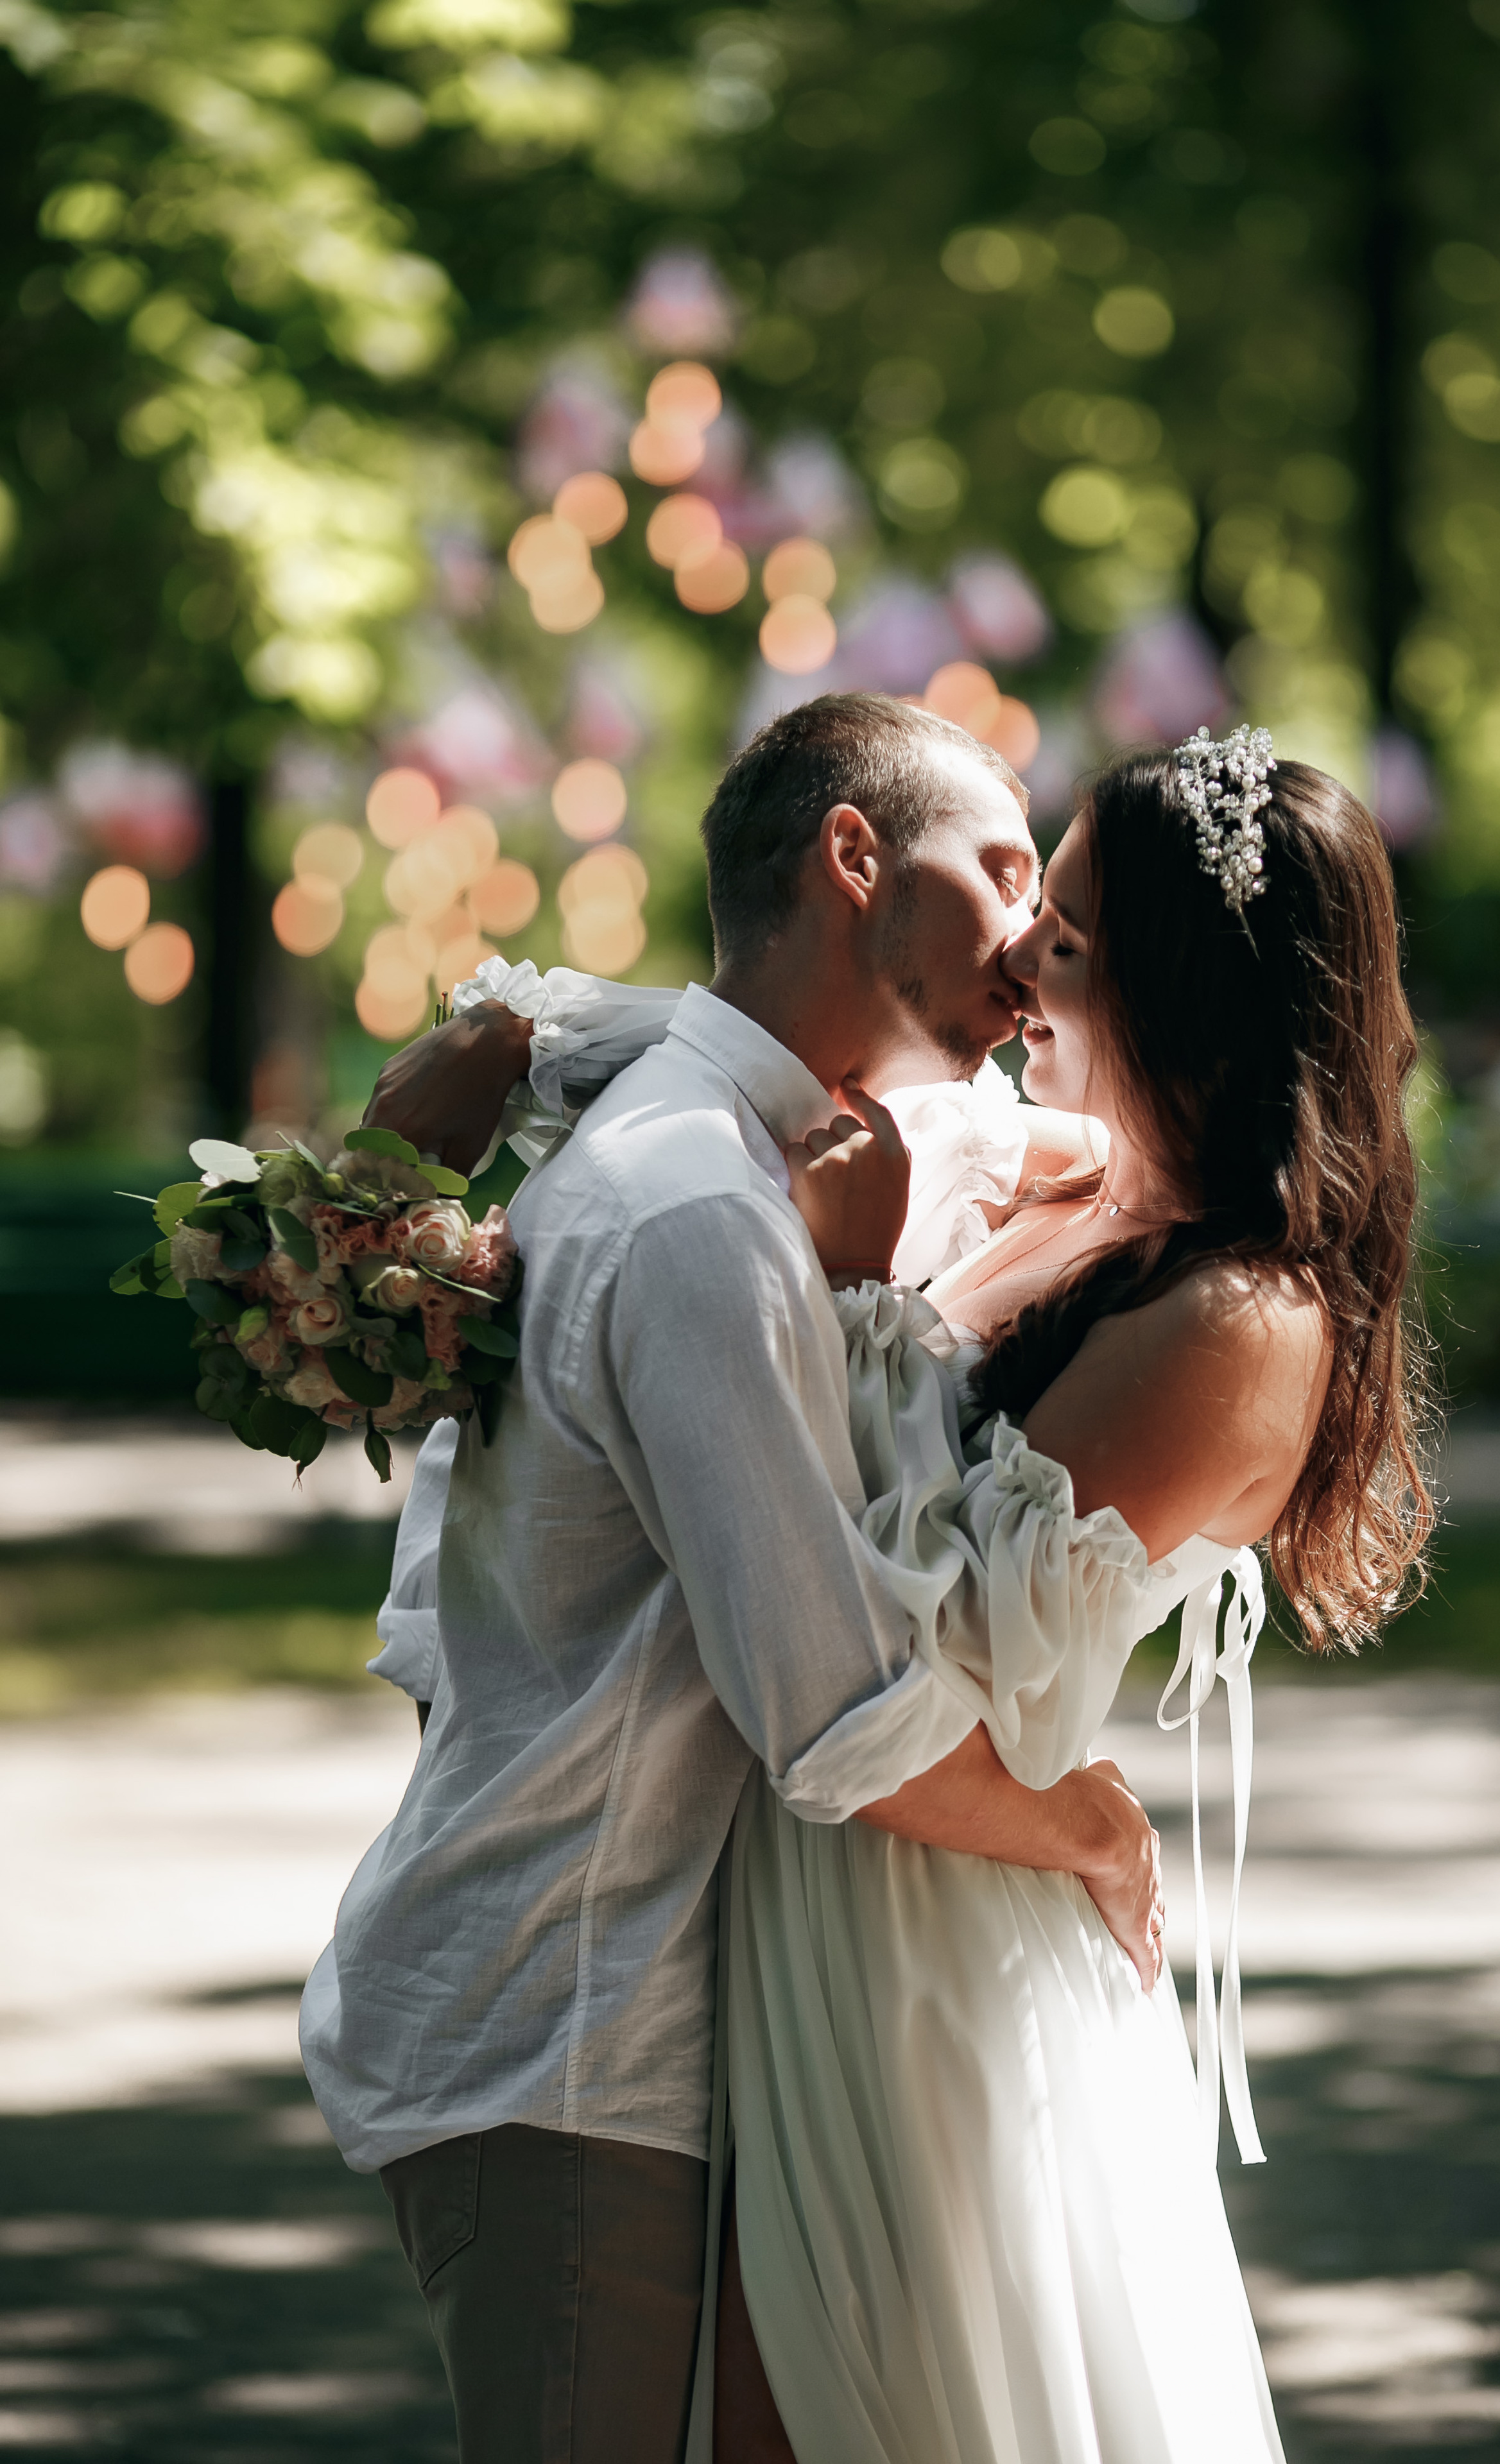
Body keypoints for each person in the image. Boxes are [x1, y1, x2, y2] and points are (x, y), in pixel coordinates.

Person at [298, 694, 1187, 2464]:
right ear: (854, 858)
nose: (1033, 942)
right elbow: (832, 1714)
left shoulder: (753, 1136)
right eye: (1003, 870)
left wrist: (537, 1019)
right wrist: (1089, 1826)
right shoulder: (700, 1204)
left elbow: (1063, 1152)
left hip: (617, 2031)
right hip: (568, 2035)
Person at [701, 726, 1433, 2461]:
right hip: (825, 1872)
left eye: (1078, 940)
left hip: (929, 1932)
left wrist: (851, 1274)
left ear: (1191, 1000)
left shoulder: (1241, 1323)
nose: (1025, 955)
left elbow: (917, 1631)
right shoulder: (1079, 1185)